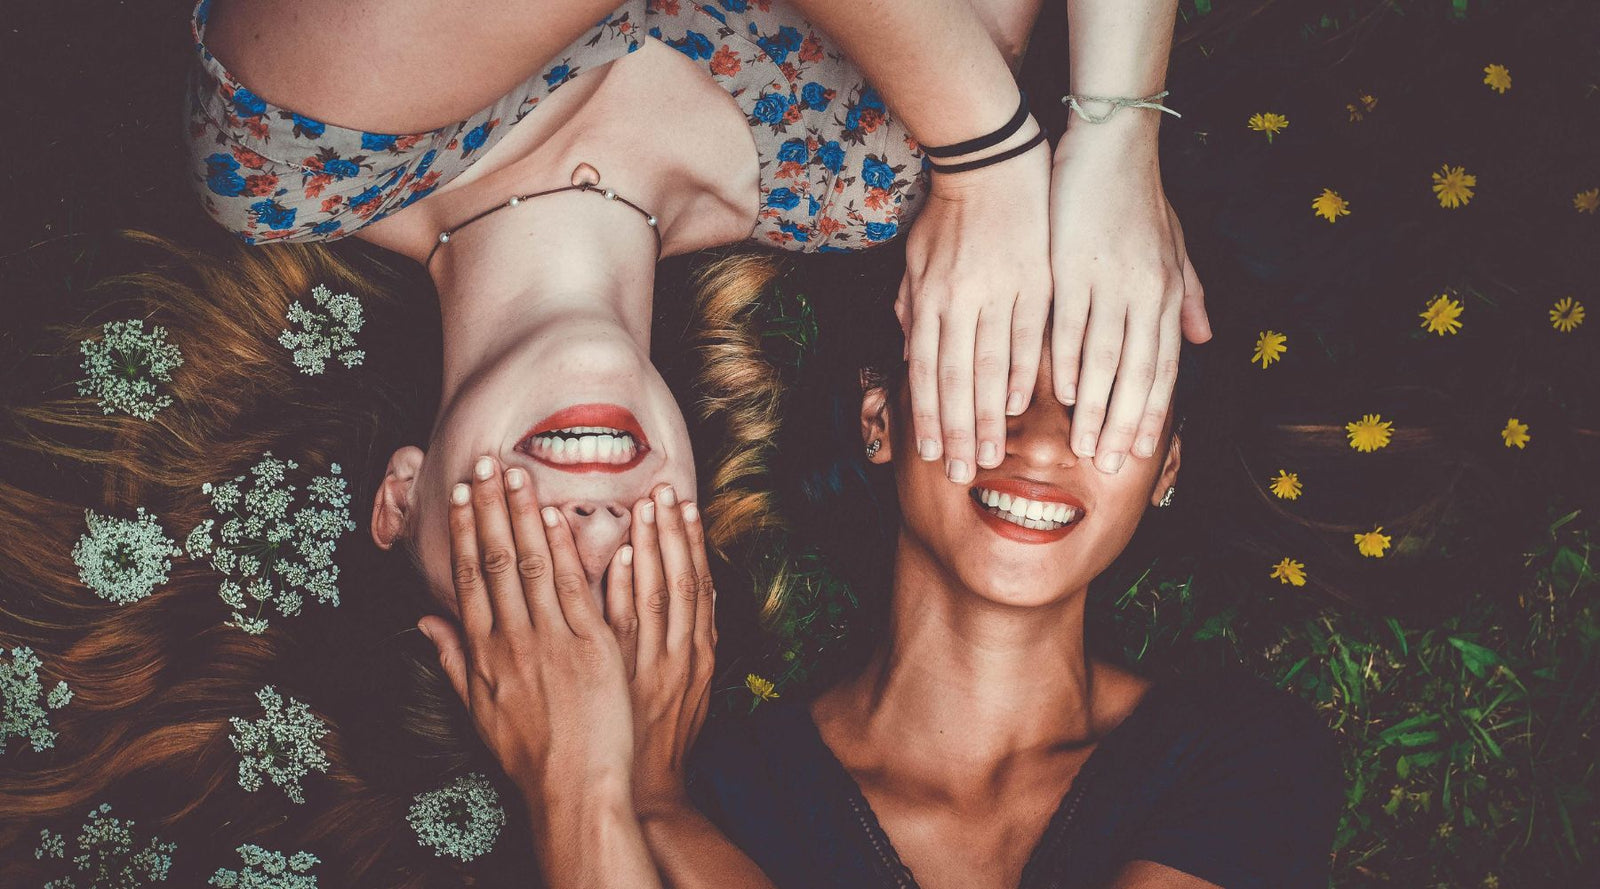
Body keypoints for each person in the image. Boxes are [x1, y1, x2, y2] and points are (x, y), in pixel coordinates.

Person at [184, 0, 1212, 608]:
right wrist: (1120, 136)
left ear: (401, 500)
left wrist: (990, 154)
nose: (590, 531)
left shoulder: (294, 150)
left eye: (524, 579)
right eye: (634, 591)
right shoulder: (858, 175)